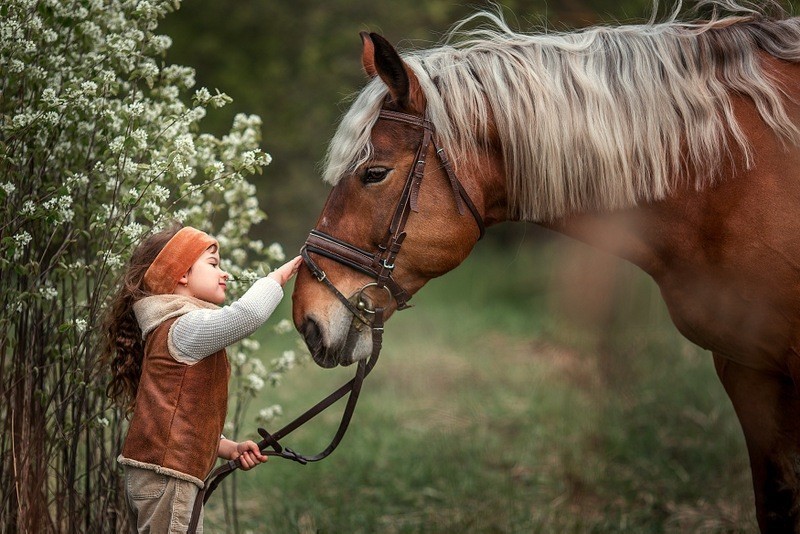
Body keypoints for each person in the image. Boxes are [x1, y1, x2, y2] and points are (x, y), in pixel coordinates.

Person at [103, 224, 303, 533]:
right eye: (213, 264)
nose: (223, 273)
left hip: (163, 475)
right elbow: (246, 316)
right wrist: (278, 278)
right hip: (170, 477)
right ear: (181, 274)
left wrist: (227, 448)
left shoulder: (176, 328)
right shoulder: (183, 328)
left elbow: (180, 413)